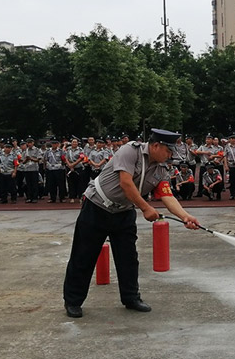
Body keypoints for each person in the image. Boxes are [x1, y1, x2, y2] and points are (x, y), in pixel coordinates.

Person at [62, 129, 201, 318]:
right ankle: (73, 301)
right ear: (155, 146)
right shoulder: (130, 151)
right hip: (96, 207)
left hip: (124, 212)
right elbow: (125, 183)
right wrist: (145, 208)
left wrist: (185, 216)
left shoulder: (161, 169)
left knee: (128, 258)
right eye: (168, 151)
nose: (170, 156)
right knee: (83, 256)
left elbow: (167, 196)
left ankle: (131, 298)